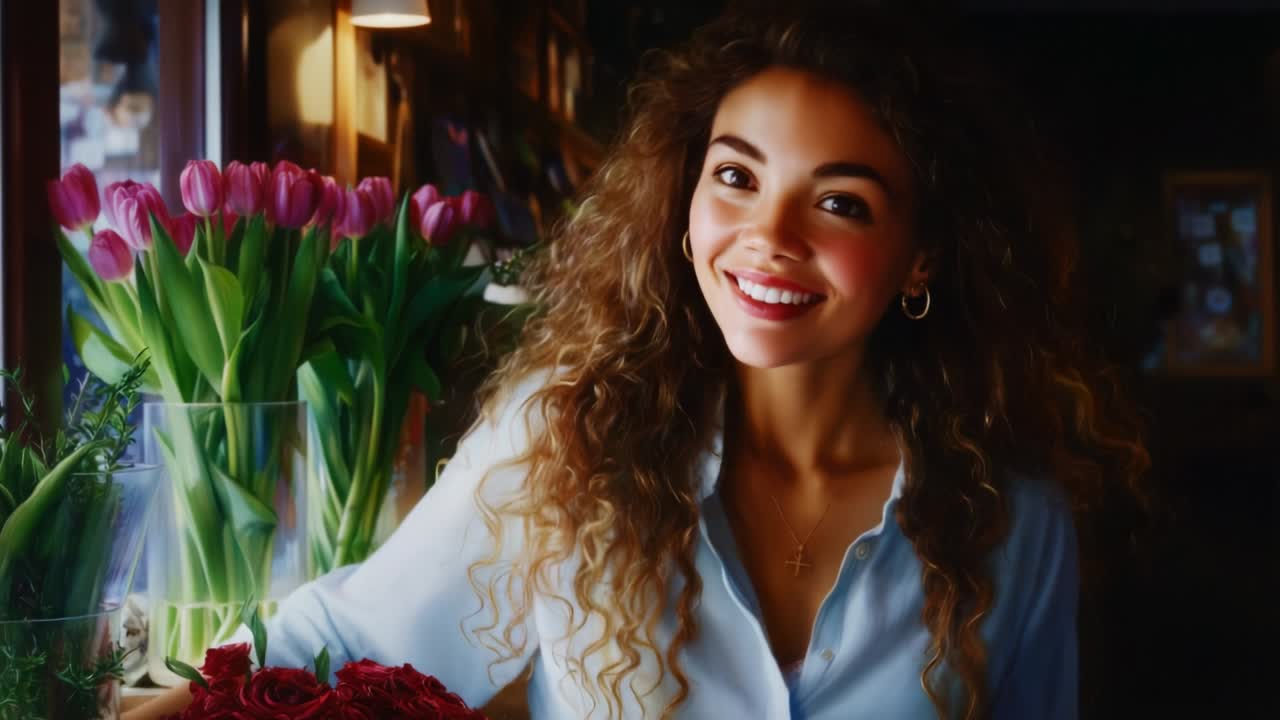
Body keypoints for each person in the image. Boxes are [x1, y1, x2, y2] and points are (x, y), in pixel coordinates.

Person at [126, 3, 1148, 719]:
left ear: (921, 252)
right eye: (736, 177)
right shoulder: (567, 441)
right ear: (682, 201)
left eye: (840, 201)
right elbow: (343, 646)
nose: (767, 235)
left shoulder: (1013, 522)